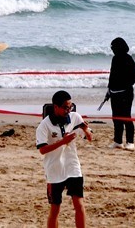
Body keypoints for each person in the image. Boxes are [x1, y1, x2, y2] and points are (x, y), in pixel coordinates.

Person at [36, 90, 92, 228]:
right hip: (54, 169)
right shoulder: (44, 125)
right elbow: (42, 150)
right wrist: (63, 141)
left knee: (79, 204)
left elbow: (88, 135)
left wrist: (86, 130)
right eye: (66, 107)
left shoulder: (74, 117)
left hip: (72, 166)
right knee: (55, 208)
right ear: (56, 107)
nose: (69, 110)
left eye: (70, 107)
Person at [107, 36, 135, 150]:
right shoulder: (114, 59)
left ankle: (130, 142)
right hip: (114, 93)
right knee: (116, 118)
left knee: (126, 117)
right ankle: (118, 141)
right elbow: (112, 75)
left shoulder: (128, 58)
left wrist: (126, 85)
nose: (112, 49)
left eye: (113, 47)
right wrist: (109, 90)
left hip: (126, 93)